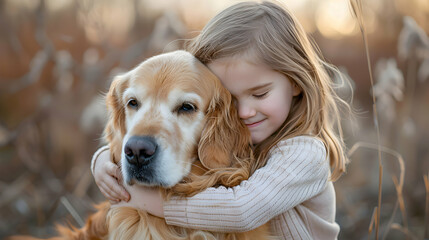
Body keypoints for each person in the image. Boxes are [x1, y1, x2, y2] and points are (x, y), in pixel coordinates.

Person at [91, 1, 352, 239]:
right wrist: (103, 159)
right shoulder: (250, 133)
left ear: (295, 83)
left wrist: (139, 198)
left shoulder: (305, 154)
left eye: (259, 93)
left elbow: (242, 210)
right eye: (231, 100)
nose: (242, 113)